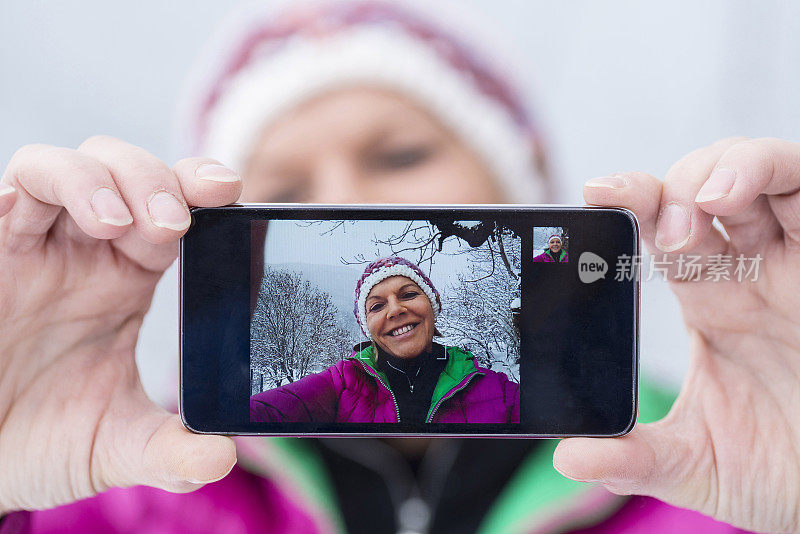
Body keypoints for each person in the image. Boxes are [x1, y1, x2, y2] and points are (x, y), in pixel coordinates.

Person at [0, 1, 797, 533]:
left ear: (518, 188)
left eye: (401, 153)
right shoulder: (137, 495)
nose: (338, 199)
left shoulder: (696, 468)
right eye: (283, 188)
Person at [250, 256, 520, 424]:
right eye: (377, 306)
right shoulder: (341, 382)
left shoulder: (496, 389)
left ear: (432, 305)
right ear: (366, 326)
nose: (395, 310)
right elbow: (264, 411)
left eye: (409, 294)